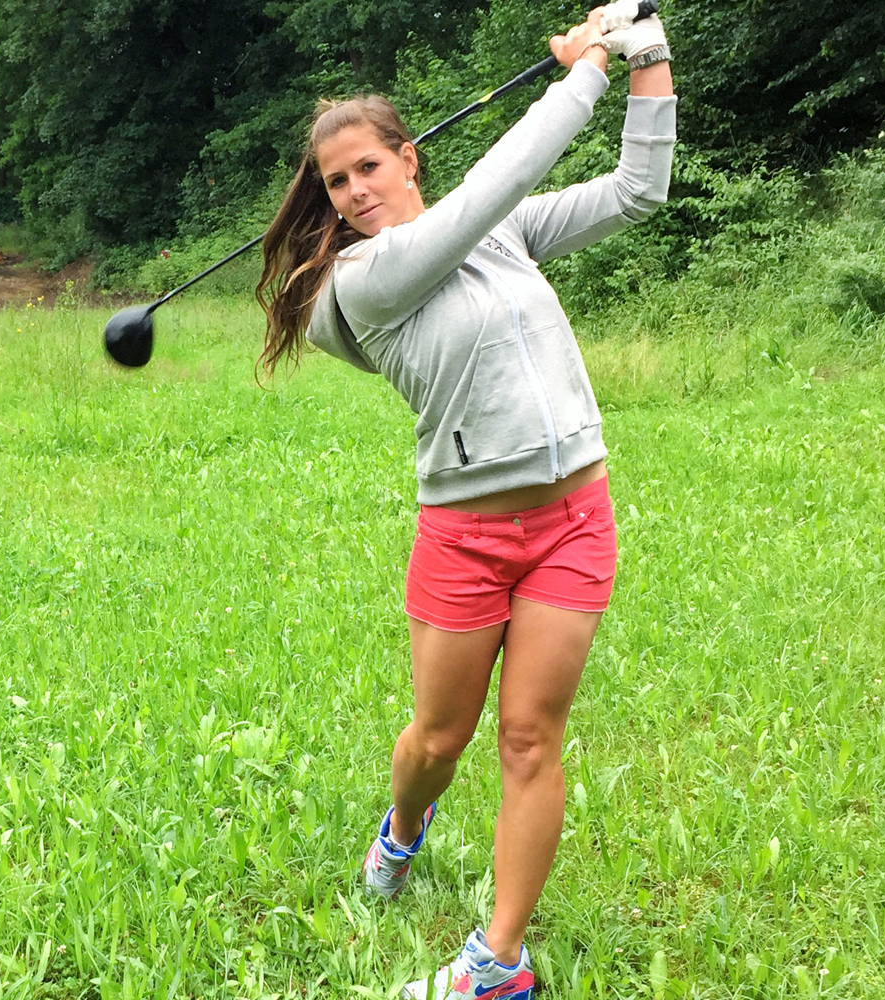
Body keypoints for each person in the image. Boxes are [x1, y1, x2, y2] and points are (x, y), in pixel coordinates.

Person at [256, 5, 675, 997]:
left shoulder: (498, 236)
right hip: (467, 534)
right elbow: (492, 188)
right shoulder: (358, 283)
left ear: (408, 159)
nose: (355, 192)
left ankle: (500, 960)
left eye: (368, 167)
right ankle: (405, 826)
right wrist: (584, 70)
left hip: (574, 519)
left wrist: (646, 50)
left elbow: (638, 190)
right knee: (439, 739)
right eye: (336, 181)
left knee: (530, 737)